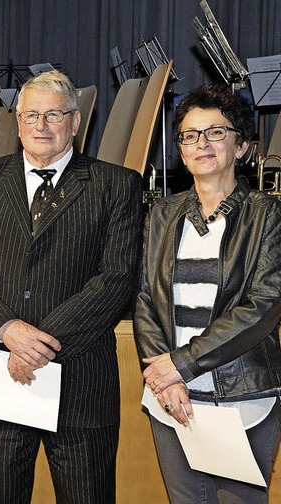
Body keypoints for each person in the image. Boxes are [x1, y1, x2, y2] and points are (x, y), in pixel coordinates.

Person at [0, 70, 143, 503]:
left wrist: (39, 347)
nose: (42, 127)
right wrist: (8, 330)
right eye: (31, 116)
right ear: (17, 122)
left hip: (81, 385)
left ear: (75, 120)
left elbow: (117, 278)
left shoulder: (116, 184)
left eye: (54, 115)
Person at [134, 83, 281, 503]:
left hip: (242, 400)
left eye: (216, 132)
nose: (202, 143)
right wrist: (165, 380)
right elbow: (145, 297)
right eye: (190, 135)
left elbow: (264, 305)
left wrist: (181, 364)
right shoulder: (161, 214)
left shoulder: (267, 214)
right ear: (180, 150)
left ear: (242, 147)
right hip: (172, 400)